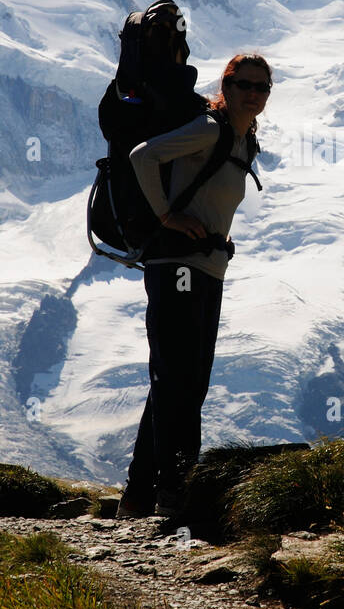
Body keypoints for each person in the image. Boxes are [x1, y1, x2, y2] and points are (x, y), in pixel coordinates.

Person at [116, 53, 273, 518]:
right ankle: (175, 493)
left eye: (261, 87)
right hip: (176, 266)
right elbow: (142, 156)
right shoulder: (210, 128)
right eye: (243, 84)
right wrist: (168, 215)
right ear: (226, 84)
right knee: (180, 381)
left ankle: (139, 495)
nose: (253, 93)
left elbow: (213, 198)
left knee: (180, 380)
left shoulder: (246, 141)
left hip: (207, 268)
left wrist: (216, 231)